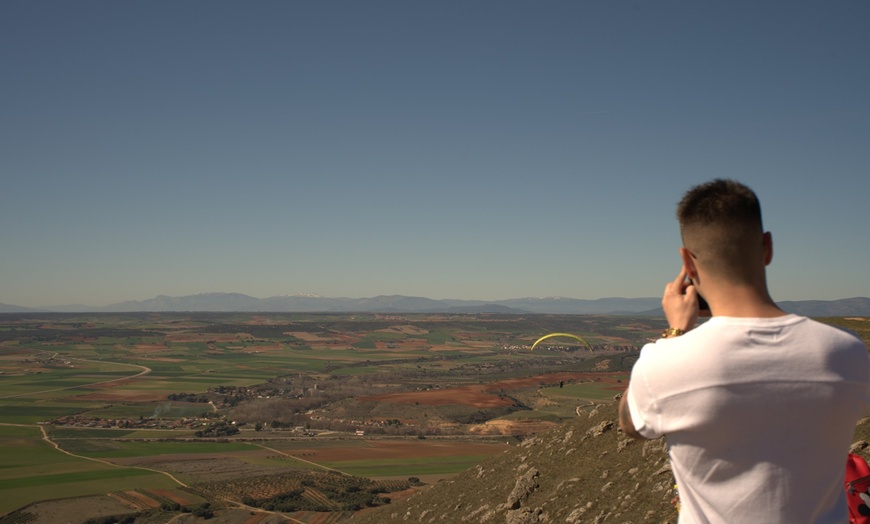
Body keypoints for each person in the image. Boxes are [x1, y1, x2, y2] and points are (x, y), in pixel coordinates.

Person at [618, 179, 870, 523]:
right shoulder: (848, 352)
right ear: (767, 247)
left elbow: (630, 424)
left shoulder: (666, 362)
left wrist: (675, 332)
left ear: (687, 264)